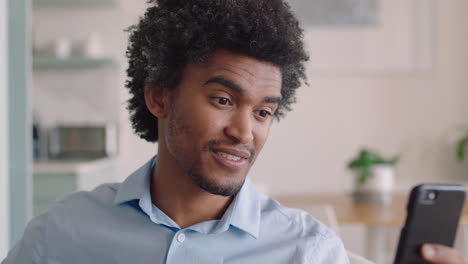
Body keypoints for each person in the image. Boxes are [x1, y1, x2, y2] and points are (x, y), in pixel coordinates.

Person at [2, 0, 466, 263]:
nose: (244, 132)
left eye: (264, 112)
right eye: (223, 101)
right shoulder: (62, 233)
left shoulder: (306, 251)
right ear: (159, 95)